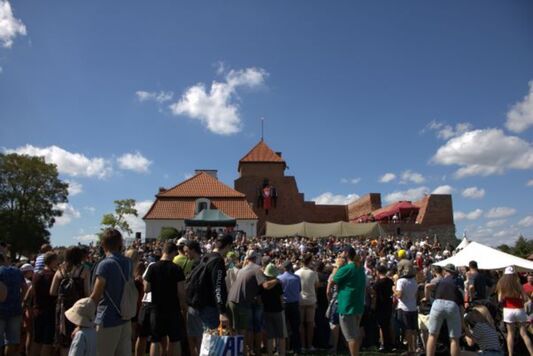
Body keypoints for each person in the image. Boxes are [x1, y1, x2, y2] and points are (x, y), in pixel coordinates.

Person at [90, 228, 133, 356]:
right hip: (125, 315)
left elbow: (96, 294)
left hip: (107, 317)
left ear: (103, 244)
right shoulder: (128, 263)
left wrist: (85, 316)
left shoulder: (105, 264)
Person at [228, 250, 278, 355]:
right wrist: (278, 279)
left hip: (231, 300)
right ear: (256, 259)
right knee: (244, 329)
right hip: (241, 302)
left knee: (235, 329)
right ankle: (246, 352)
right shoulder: (257, 269)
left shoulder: (243, 269)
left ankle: (240, 352)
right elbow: (266, 286)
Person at [144, 241, 187, 356]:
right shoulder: (177, 268)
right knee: (175, 339)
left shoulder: (152, 267)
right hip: (173, 308)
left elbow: (146, 289)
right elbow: (181, 292)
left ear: (163, 251)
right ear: (174, 253)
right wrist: (184, 307)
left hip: (156, 308)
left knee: (155, 340)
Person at [50, 246, 91, 356]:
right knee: (77, 337)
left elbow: (52, 291)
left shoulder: (60, 270)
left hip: (63, 308)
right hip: (78, 309)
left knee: (64, 339)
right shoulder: (85, 270)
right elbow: (87, 293)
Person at [190, 234, 233, 330]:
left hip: (199, 304)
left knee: (205, 339)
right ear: (228, 246)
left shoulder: (207, 257)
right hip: (210, 306)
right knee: (212, 340)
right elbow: (217, 287)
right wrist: (222, 311)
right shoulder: (217, 260)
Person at [332, 247, 366, 356]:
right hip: (358, 304)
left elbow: (333, 279)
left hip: (347, 305)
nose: (340, 254)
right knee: (354, 333)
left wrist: (337, 266)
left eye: (341, 252)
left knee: (350, 336)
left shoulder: (347, 268)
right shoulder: (359, 267)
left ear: (346, 253)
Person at [425, 264, 463, 356]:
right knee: (454, 338)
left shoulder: (440, 281)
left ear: (445, 271)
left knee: (432, 335)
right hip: (452, 305)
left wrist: (426, 298)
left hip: (438, 303)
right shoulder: (457, 282)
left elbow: (428, 286)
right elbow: (461, 304)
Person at [496, 266, 533, 356]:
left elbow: (500, 300)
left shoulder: (501, 284)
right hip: (519, 309)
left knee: (510, 334)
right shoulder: (518, 284)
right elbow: (524, 298)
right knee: (524, 334)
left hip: (508, 310)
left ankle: (510, 354)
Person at [31, 252, 59, 356]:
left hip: (37, 310)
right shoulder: (53, 275)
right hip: (49, 311)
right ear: (52, 261)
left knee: (37, 340)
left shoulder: (36, 275)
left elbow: (33, 292)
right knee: (47, 342)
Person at [0, 253, 28, 356]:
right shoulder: (17, 271)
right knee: (11, 341)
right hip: (15, 309)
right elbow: (25, 287)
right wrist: (21, 300)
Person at [260, 263, 286, 356]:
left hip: (267, 311)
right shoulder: (278, 285)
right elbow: (281, 299)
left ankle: (270, 353)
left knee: (270, 336)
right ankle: (282, 353)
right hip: (278, 311)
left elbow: (260, 299)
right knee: (281, 336)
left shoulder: (262, 285)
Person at [295, 253, 319, 352]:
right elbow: (316, 286)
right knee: (310, 324)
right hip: (310, 300)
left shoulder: (297, 273)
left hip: (300, 300)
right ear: (309, 261)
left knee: (301, 324)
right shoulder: (313, 273)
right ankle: (309, 346)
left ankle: (303, 346)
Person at [394, 259, 419, 356]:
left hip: (404, 308)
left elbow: (399, 295)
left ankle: (410, 349)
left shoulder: (401, 281)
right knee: (413, 329)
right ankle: (415, 348)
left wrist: (394, 290)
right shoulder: (414, 280)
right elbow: (416, 295)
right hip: (413, 307)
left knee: (407, 329)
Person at [278, 260, 302, 354]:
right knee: (295, 328)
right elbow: (299, 290)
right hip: (294, 304)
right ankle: (296, 349)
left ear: (284, 268)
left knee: (284, 328)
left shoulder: (279, 278)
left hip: (284, 304)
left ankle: (284, 349)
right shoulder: (297, 278)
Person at [373, 264, 393, 352]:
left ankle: (383, 344)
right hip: (388, 304)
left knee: (381, 326)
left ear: (377, 272)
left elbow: (374, 295)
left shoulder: (377, 283)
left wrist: (373, 306)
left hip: (380, 305)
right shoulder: (390, 281)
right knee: (387, 325)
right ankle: (389, 343)